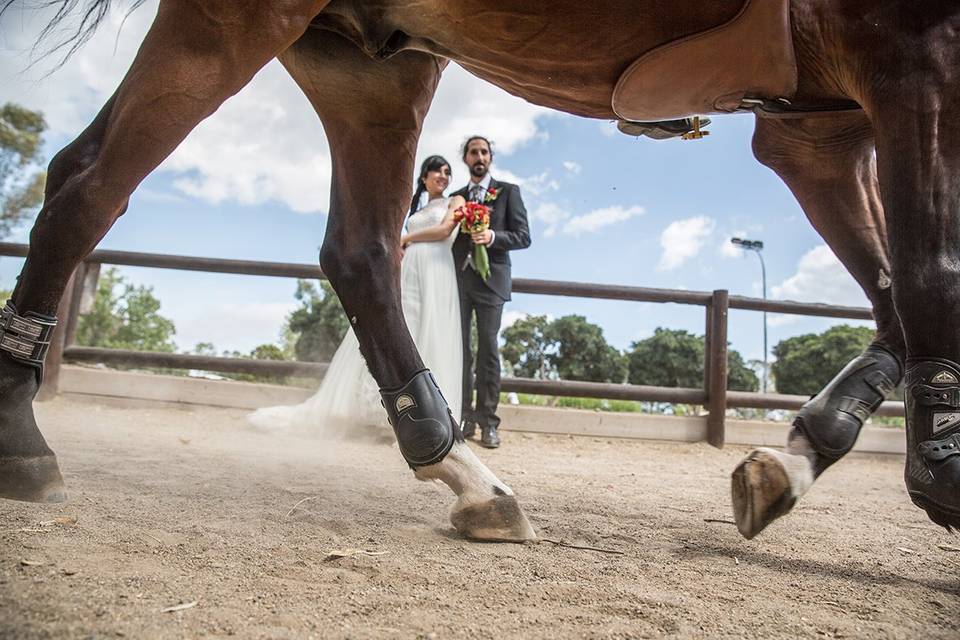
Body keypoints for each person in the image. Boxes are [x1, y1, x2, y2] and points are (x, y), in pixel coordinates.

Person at [248, 156, 465, 436]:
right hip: (411, 268)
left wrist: (405, 239)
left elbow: (445, 229)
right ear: (424, 177)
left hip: (436, 269)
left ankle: (428, 411)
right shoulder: (417, 208)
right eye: (437, 170)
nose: (443, 175)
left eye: (448, 172)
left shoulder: (455, 201)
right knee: (404, 323)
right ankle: (378, 409)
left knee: (430, 328)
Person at [451, 136, 531, 449]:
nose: (479, 156)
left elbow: (524, 236)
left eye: (484, 151)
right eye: (473, 152)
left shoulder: (508, 192)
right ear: (466, 159)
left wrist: (493, 235)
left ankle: (488, 422)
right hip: (458, 281)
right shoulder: (456, 197)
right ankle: (464, 417)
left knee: (487, 351)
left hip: (492, 280)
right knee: (461, 352)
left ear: (490, 157)